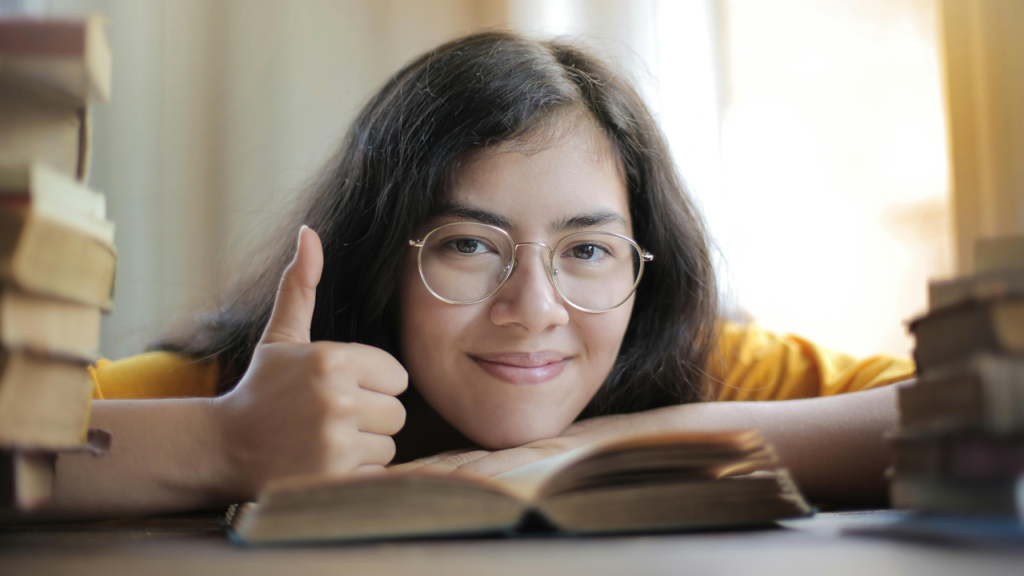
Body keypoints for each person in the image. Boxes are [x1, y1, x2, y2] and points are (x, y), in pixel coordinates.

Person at [51, 31, 914, 518]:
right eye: (468, 244)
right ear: (381, 255)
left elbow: (992, 403)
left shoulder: (702, 368)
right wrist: (225, 442)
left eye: (586, 250)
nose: (534, 311)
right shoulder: (267, 393)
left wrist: (620, 442)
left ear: (644, 269)